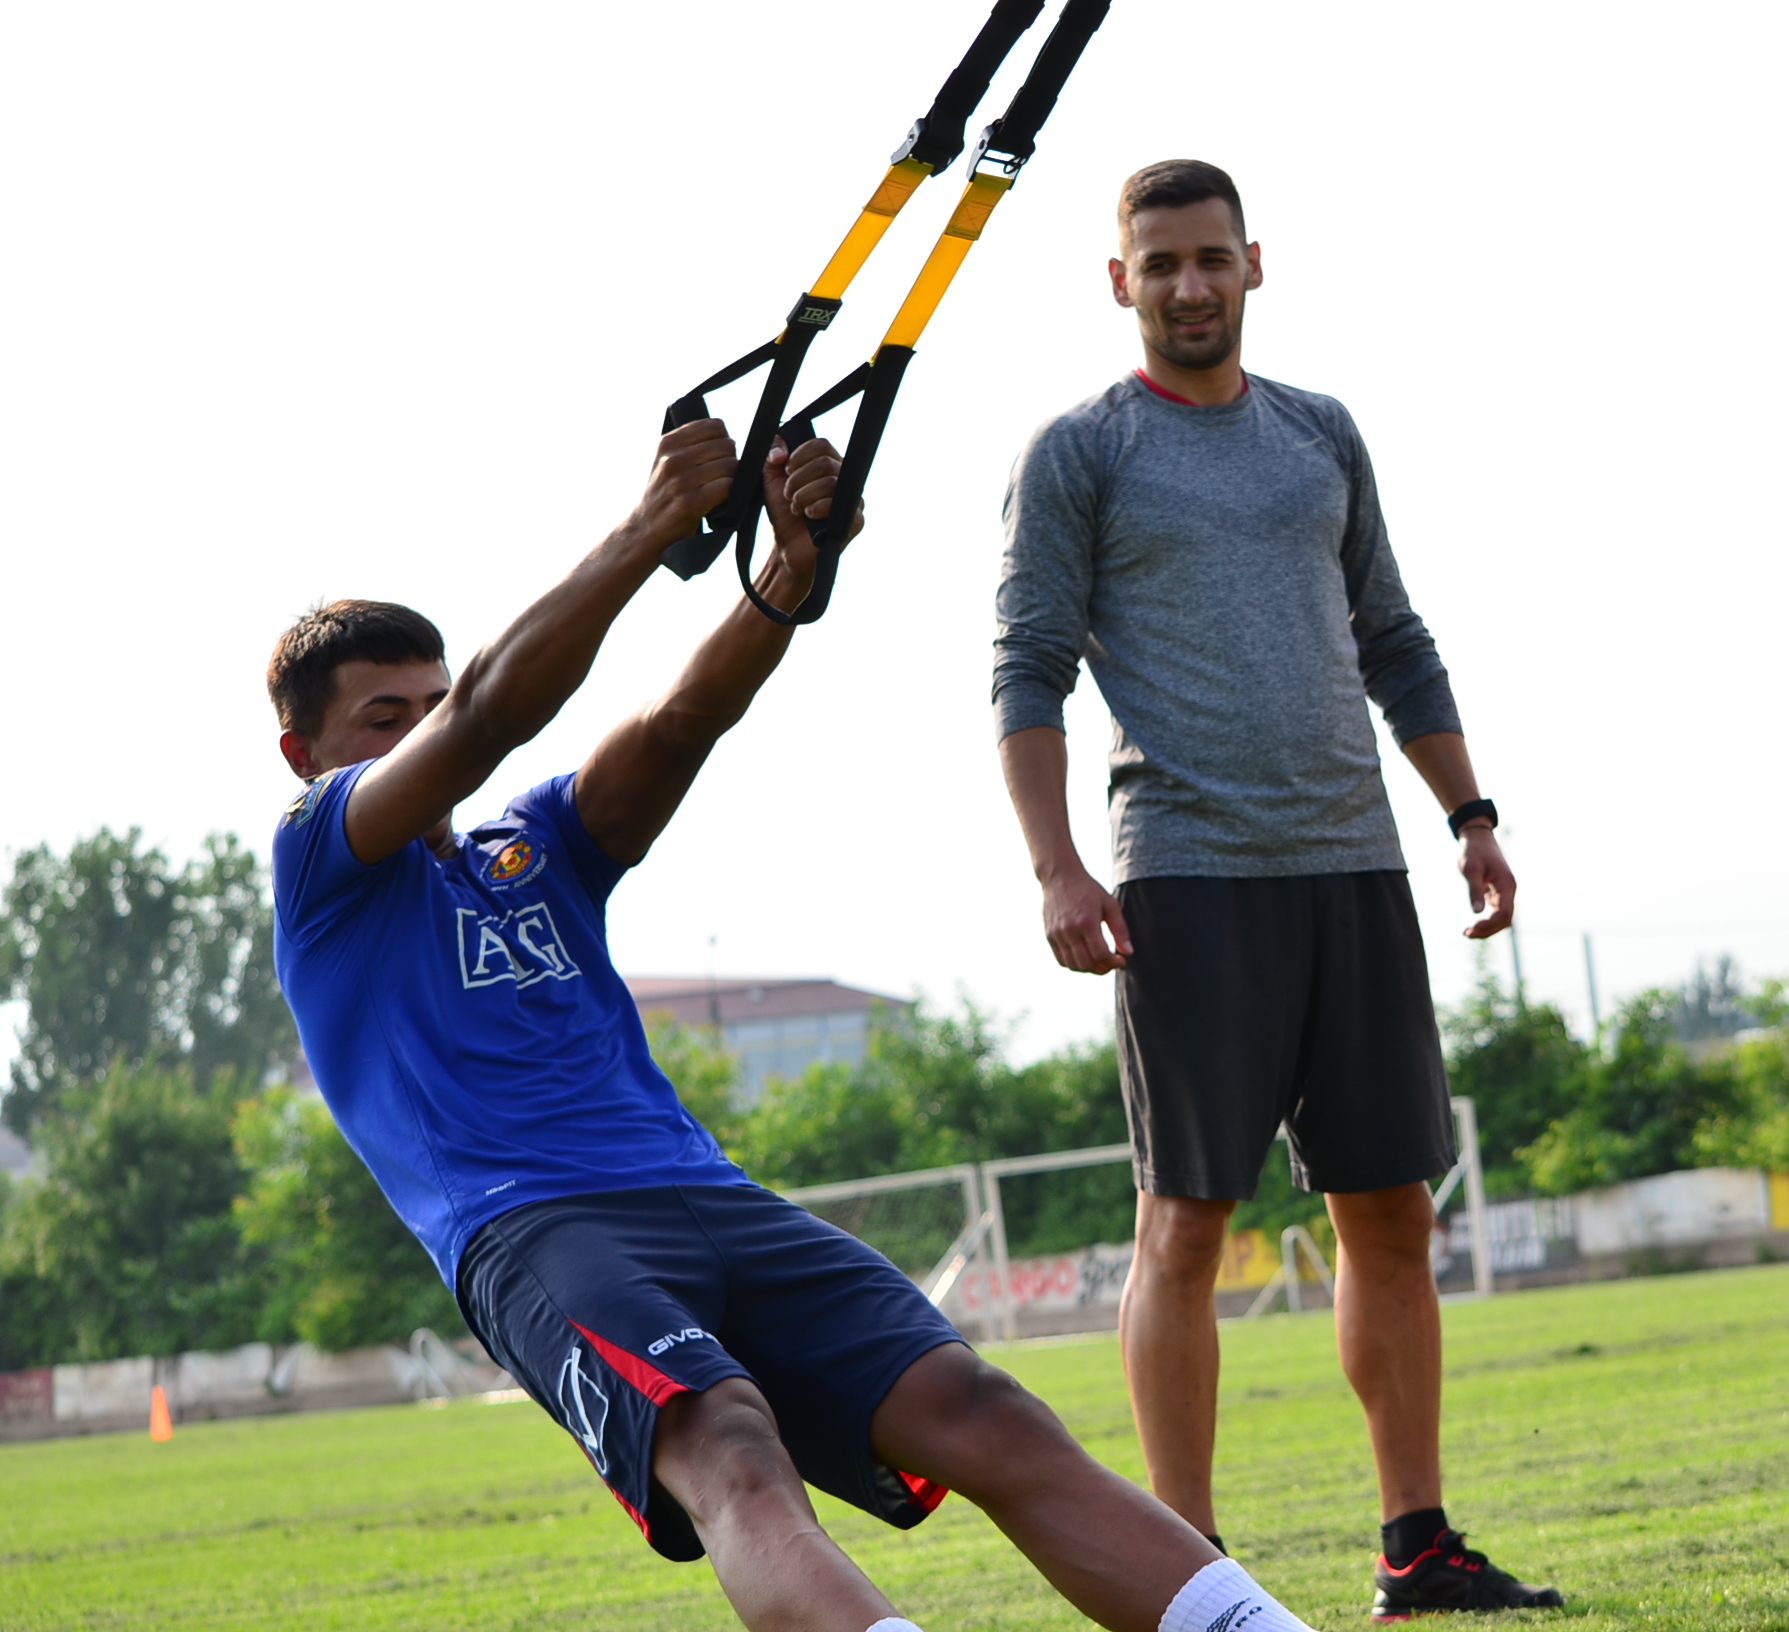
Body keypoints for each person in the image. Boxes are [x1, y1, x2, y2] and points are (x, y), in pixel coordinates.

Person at [266, 423, 1324, 1632]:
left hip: (705, 1192)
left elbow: (679, 720)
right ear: (305, 756)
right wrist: (649, 529)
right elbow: (487, 716)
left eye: (425, 702)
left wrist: (783, 575)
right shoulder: (321, 856)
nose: (415, 732)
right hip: (533, 1225)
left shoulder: (532, 842)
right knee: (728, 1445)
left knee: (984, 1409)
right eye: (381, 719)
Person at [991, 159, 1561, 1619]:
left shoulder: (1321, 433)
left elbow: (1393, 636)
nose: (1189, 285)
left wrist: (1470, 815)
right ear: (1118, 280)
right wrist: (1057, 868)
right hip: (1186, 880)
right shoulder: (1078, 452)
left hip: (1355, 865)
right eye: (1160, 263)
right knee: (1184, 1224)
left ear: (1255, 262)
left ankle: (1416, 1545)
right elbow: (1027, 670)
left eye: (1211, 258)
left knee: (1394, 1214)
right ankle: (1183, 1574)